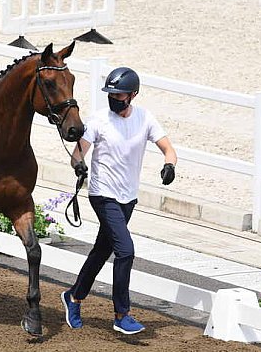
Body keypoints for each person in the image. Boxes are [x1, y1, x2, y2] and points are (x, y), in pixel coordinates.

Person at [61, 66, 177, 335]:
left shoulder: (146, 119)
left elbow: (168, 149)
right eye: (110, 94)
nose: (114, 98)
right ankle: (122, 314)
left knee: (102, 250)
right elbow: (78, 155)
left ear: (133, 95)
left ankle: (74, 297)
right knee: (125, 250)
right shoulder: (98, 121)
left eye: (119, 94)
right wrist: (79, 165)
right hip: (103, 195)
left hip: (128, 198)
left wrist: (169, 165)